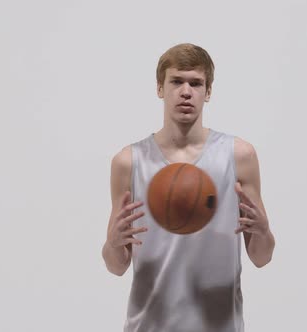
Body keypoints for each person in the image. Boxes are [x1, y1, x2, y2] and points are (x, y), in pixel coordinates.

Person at [102, 43, 275, 332]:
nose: (186, 91)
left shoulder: (239, 156)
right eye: (176, 81)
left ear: (208, 92)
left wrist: (263, 230)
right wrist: (114, 242)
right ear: (160, 88)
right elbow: (116, 265)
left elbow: (262, 257)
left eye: (196, 83)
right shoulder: (128, 162)